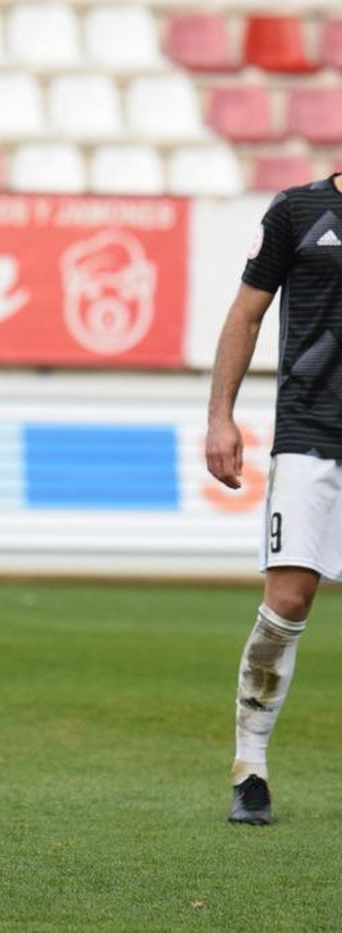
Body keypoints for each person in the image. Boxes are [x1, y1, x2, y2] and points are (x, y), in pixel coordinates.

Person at [206, 173, 342, 825]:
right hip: (309, 434)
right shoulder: (298, 209)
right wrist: (220, 417)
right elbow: (246, 312)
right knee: (287, 600)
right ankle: (250, 767)